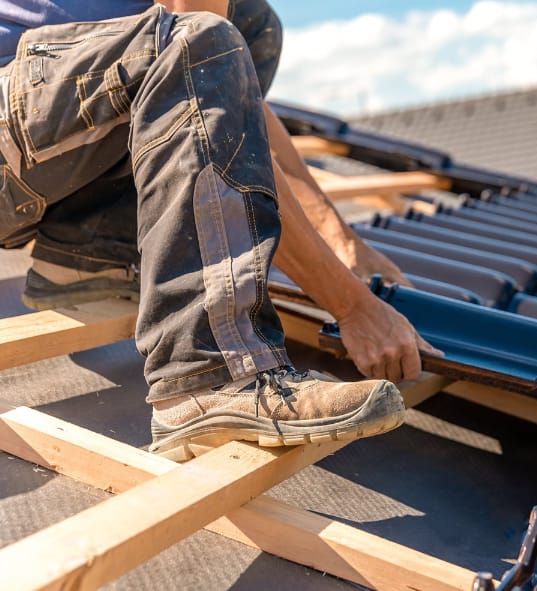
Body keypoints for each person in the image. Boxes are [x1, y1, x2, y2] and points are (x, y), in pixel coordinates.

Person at [0, 0, 439, 461]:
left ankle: (89, 251)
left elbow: (229, 102)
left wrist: (343, 242)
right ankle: (207, 375)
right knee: (202, 39)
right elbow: (200, 70)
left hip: (36, 141)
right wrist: (353, 307)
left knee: (251, 27)